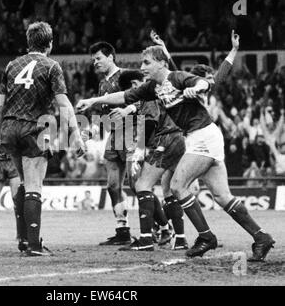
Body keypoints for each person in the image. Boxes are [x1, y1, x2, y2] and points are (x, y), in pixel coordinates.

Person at [76, 32, 275, 261]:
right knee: (222, 196)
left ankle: (205, 236)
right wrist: (93, 101)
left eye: (147, 62)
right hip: (202, 137)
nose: (142, 67)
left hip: (203, 137)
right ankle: (261, 237)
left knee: (178, 186)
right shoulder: (153, 87)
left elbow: (203, 82)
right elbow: (123, 96)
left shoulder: (178, 77)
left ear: (161, 63)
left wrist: (197, 87)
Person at [0, 21, 85, 256]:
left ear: (28, 41)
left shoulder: (11, 65)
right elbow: (63, 103)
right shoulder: (51, 66)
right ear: (50, 43)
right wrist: (75, 135)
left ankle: (24, 240)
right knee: (34, 185)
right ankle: (34, 245)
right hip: (34, 128)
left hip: (9, 127)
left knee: (24, 182)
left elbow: (0, 105)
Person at [116, 69, 186, 251]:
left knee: (141, 185)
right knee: (170, 189)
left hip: (161, 141)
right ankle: (177, 237)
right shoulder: (154, 90)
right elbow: (137, 108)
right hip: (174, 139)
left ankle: (150, 237)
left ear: (134, 86)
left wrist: (139, 150)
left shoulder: (150, 92)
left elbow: (150, 122)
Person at [87, 41, 137, 246]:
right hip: (115, 134)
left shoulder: (126, 77)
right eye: (93, 60)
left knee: (138, 185)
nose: (95, 63)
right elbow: (99, 115)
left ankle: (163, 229)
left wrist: (128, 111)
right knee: (113, 185)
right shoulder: (102, 84)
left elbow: (141, 99)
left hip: (133, 131)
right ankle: (122, 230)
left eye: (98, 58)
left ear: (110, 57)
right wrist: (87, 134)